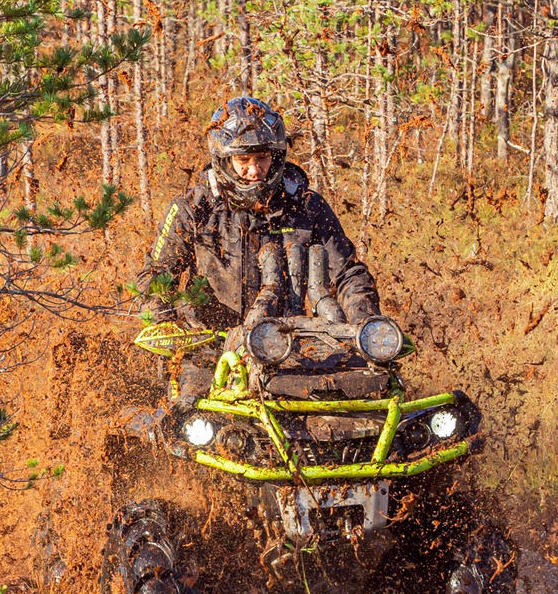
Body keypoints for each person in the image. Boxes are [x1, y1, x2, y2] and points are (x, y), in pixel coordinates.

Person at [137, 97, 379, 403]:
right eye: (243, 160)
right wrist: (167, 323)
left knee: (359, 395)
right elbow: (155, 277)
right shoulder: (192, 207)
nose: (255, 170)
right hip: (208, 348)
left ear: (277, 157)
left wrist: (364, 323)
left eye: (263, 158)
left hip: (288, 343)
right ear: (224, 159)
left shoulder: (306, 205)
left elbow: (348, 273)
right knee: (190, 416)